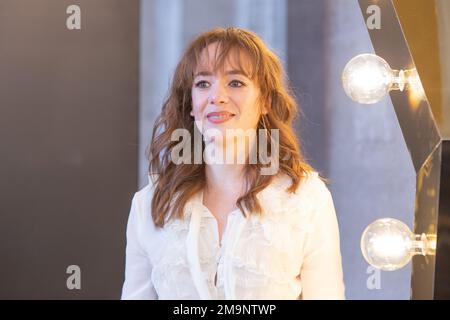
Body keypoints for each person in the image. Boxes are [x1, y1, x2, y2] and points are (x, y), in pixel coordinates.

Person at [121, 27, 345, 300]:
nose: (217, 96)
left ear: (264, 100)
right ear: (191, 103)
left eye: (236, 82)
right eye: (203, 84)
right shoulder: (150, 205)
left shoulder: (306, 198)